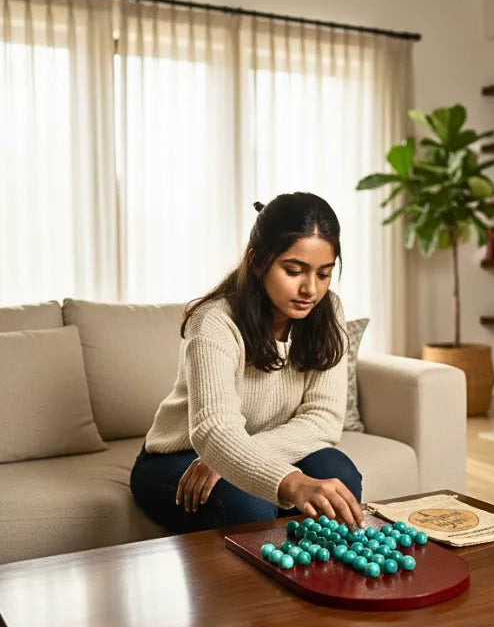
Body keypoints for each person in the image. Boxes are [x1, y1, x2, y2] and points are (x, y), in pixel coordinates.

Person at [130, 191, 364, 533]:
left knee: (339, 475)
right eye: (294, 270)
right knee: (249, 504)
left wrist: (236, 459)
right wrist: (285, 481)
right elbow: (214, 431)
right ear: (257, 261)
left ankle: (320, 578)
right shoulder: (213, 321)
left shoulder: (329, 312)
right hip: (176, 457)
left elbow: (324, 420)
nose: (310, 289)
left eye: (324, 274)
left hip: (249, 448)